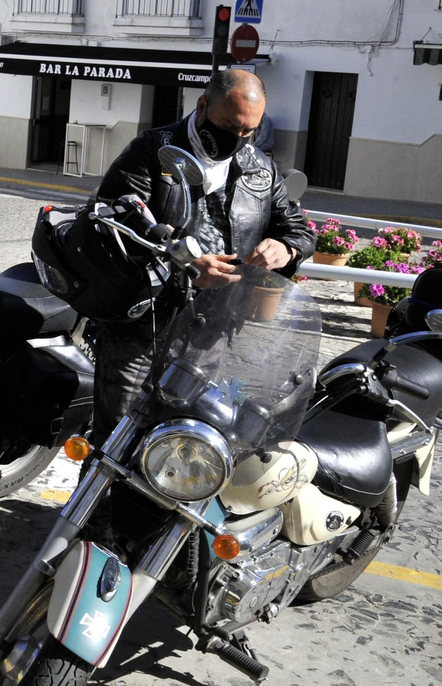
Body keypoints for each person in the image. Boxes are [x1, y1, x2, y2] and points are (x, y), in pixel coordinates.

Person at [90, 68, 315, 438]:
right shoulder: (153, 150)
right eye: (229, 125)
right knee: (116, 439)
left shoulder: (260, 168)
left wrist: (286, 248)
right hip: (143, 327)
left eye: (248, 131)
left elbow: (297, 228)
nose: (238, 138)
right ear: (203, 105)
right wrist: (185, 265)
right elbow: (113, 221)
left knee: (182, 442)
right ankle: (100, 496)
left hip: (211, 333)